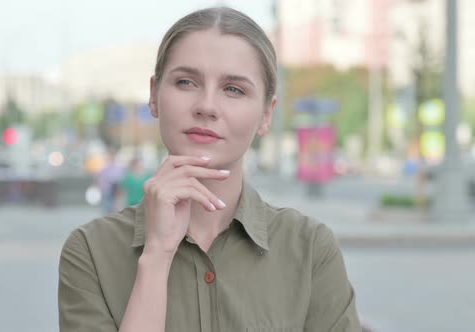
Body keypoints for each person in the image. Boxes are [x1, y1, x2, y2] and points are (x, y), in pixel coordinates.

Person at [59, 7, 361, 332]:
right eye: (186, 82)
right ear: (154, 95)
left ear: (266, 115)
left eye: (234, 89)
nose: (206, 106)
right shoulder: (90, 251)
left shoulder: (310, 249)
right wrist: (157, 256)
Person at [96, 149, 125, 213]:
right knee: (107, 207)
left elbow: (121, 178)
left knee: (116, 207)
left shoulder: (119, 166)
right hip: (107, 189)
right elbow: (100, 178)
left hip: (116, 189)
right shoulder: (104, 167)